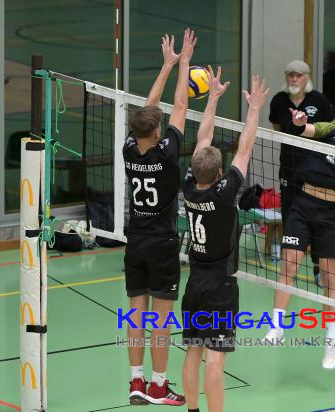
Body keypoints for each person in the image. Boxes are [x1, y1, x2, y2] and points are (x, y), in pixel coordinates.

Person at [262, 101, 335, 370]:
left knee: (329, 278)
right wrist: (301, 122)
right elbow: (306, 130)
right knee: (289, 266)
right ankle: (277, 326)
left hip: (331, 215)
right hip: (303, 205)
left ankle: (330, 343)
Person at [181, 72, 269, 412]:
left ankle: (192, 411)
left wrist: (212, 97)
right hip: (220, 286)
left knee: (192, 350)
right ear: (219, 173)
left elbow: (202, 141)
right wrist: (254, 109)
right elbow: (245, 146)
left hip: (195, 283)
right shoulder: (224, 192)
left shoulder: (190, 186)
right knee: (215, 359)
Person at [122, 29, 196, 406]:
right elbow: (180, 107)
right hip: (162, 245)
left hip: (135, 241)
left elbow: (147, 111)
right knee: (161, 323)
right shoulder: (166, 155)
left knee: (136, 316)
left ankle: (135, 382)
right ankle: (157, 385)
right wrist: (182, 63)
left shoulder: (129, 150)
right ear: (156, 131)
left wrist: (165, 65)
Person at [269, 59, 335, 286]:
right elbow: (277, 129)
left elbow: (330, 131)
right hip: (289, 170)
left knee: (316, 218)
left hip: (315, 172)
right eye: (290, 75)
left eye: (298, 75)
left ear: (306, 77)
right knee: (290, 218)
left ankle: (318, 267)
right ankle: (290, 271)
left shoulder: (320, 101)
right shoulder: (278, 101)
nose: (294, 79)